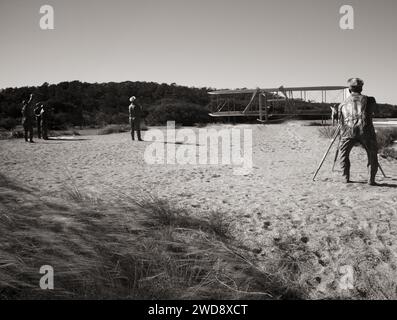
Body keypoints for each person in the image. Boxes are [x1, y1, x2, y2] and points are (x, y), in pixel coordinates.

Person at [338, 78, 379, 185]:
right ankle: (371, 180)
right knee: (372, 154)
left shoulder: (342, 103)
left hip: (347, 131)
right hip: (365, 130)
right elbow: (375, 112)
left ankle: (345, 177)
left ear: (349, 89)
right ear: (361, 88)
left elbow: (340, 121)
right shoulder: (370, 100)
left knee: (343, 155)